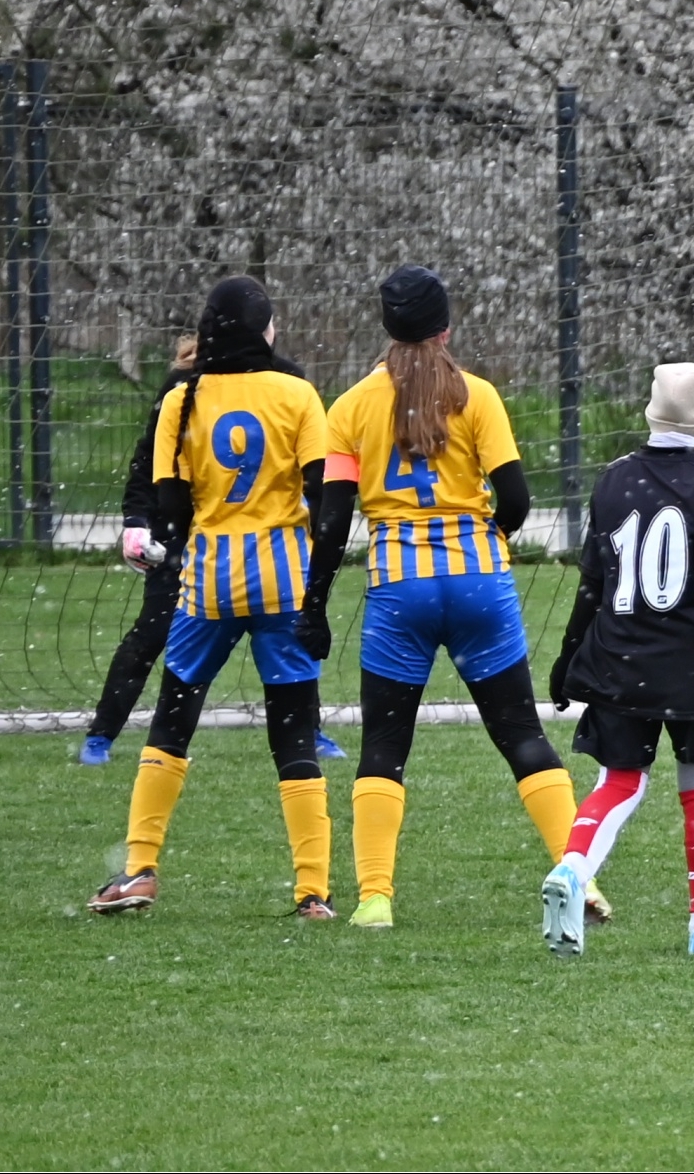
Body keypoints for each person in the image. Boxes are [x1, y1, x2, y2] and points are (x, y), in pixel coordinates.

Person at [295, 265, 600, 931]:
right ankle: (581, 877)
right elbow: (516, 499)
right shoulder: (478, 396)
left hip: (398, 588)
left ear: (387, 328)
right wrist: (486, 538)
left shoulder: (349, 407)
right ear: (446, 329)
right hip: (479, 581)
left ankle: (375, 898)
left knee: (384, 745)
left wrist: (313, 606)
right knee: (521, 734)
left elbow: (332, 522)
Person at [87, 276, 335, 918]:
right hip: (284, 581)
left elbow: (170, 506)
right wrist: (313, 581)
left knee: (172, 724)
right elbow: (325, 494)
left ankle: (140, 869)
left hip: (210, 584)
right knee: (295, 735)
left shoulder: (182, 397)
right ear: (265, 330)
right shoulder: (297, 392)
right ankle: (313, 891)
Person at [540, 362, 694, 958]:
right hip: (693, 657)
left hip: (620, 651)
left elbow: (592, 580)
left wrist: (568, 651)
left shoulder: (613, 478)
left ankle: (573, 868)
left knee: (619, 779)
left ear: (651, 413)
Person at [79, 336, 346, 767]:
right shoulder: (182, 390)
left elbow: (310, 470)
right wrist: (136, 519)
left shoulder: (287, 380)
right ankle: (102, 734)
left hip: (267, 546)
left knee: (291, 636)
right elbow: (150, 460)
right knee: (153, 633)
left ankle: (307, 730)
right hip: (194, 540)